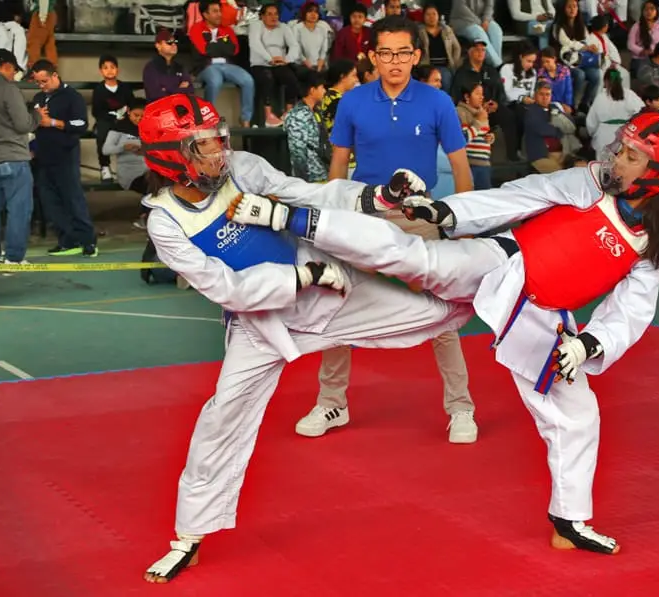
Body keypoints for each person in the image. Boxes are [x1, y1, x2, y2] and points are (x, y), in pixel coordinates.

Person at [228, 111, 659, 556]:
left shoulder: (654, 244)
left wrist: (590, 343)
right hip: (500, 263)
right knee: (413, 257)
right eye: (622, 148)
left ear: (658, 175)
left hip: (545, 317)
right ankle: (292, 217)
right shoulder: (588, 183)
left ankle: (570, 520)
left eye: (632, 157)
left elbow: (631, 310)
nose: (617, 160)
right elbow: (521, 195)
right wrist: (450, 214)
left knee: (578, 415)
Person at [138, 94, 474, 583]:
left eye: (218, 141)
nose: (218, 153)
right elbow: (224, 288)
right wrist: (300, 277)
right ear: (172, 157)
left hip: (333, 294)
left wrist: (377, 197)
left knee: (440, 312)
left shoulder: (243, 169)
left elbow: (307, 194)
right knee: (222, 417)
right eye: (203, 147)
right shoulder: (166, 222)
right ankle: (188, 537)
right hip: (262, 324)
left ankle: (507, 285)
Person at [308, 15, 478, 444]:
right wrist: (333, 211)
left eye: (403, 52)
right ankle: (332, 402)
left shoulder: (437, 101)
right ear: (372, 57)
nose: (395, 61)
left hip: (420, 218)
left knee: (440, 314)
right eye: (386, 53)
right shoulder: (352, 102)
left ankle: (461, 409)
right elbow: (338, 164)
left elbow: (460, 166)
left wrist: (465, 226)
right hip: (363, 214)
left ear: (416, 56)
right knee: (337, 305)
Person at [29, 59, 99, 257]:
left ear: (54, 76)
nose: (41, 86)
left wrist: (51, 122)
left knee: (73, 199)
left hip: (65, 156)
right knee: (50, 202)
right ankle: (67, 241)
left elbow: (80, 124)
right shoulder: (38, 98)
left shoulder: (72, 97)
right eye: (38, 82)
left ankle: (88, 242)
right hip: (43, 157)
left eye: (44, 81)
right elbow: (33, 125)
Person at [0, 49, 40, 266]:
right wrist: (37, 114)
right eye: (14, 70)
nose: (14, 75)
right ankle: (13, 257)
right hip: (13, 159)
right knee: (19, 209)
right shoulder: (8, 89)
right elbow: (23, 125)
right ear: (5, 66)